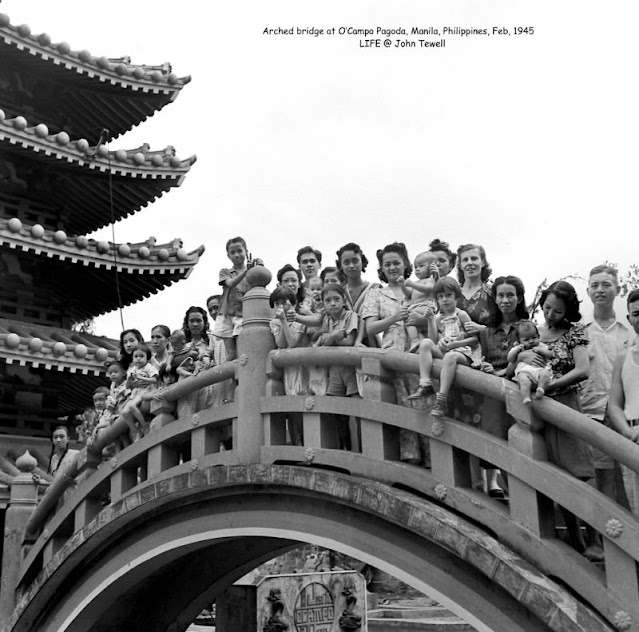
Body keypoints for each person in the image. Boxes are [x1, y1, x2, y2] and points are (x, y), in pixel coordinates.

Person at [533, 280, 592, 553]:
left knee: (577, 471)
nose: (550, 315)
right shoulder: (535, 331)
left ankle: (594, 539)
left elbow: (583, 369)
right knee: (552, 473)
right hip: (538, 406)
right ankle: (574, 539)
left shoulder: (574, 333)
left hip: (565, 403)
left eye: (557, 311)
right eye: (546, 308)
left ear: (567, 310)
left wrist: (552, 385)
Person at [362, 243, 428, 464]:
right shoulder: (376, 294)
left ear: (405, 264)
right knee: (404, 407)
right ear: (381, 268)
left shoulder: (419, 289)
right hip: (394, 356)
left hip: (422, 356)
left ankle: (432, 460)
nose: (392, 267)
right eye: (387, 264)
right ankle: (410, 461)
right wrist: (393, 319)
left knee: (426, 407)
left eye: (396, 263)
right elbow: (370, 328)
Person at [579, 265, 631, 508]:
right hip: (591, 412)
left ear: (618, 289)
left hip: (625, 413)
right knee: (600, 480)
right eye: (595, 285)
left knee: (629, 477)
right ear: (588, 291)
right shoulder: (578, 331)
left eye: (606, 284)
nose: (600, 290)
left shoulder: (629, 330)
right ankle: (601, 542)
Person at [478, 276, 530, 498]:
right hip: (492, 395)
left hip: (520, 391)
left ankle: (523, 501)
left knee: (521, 449)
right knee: (495, 444)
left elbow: (530, 358)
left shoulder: (527, 328)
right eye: (501, 295)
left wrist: (501, 373)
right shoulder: (485, 331)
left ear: (519, 298)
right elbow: (476, 357)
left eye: (510, 295)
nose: (505, 300)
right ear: (495, 299)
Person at [408, 278, 478, 416]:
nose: (444, 299)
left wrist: (456, 344)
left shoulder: (461, 315)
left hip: (463, 354)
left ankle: (441, 399)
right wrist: (430, 320)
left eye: (448, 295)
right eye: (440, 297)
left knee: (451, 356)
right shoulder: (438, 318)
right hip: (445, 353)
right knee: (425, 343)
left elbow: (475, 339)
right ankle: (425, 383)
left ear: (456, 296)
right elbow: (432, 339)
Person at [316, 283, 360, 450]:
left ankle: (360, 451)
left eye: (336, 299)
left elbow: (349, 340)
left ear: (343, 300)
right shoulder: (326, 320)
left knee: (356, 410)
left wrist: (332, 337)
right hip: (334, 371)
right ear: (323, 303)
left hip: (350, 369)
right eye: (328, 300)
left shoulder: (350, 316)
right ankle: (344, 451)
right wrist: (333, 336)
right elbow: (320, 341)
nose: (332, 303)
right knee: (337, 412)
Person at [607, 288, 639, 514]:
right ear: (629, 319)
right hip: (633, 439)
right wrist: (628, 434)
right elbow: (614, 404)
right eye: (637, 314)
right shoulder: (623, 357)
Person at [269, 286, 309, 445]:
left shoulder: (300, 319)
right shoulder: (274, 323)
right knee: (292, 408)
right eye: (277, 303)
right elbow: (280, 343)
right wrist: (282, 322)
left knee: (305, 404)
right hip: (288, 370)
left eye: (284, 302)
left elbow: (293, 342)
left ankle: (308, 445)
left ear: (292, 303)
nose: (281, 306)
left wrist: (285, 320)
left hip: (303, 367)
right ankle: (296, 447)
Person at [214, 236, 263, 361]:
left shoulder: (252, 271)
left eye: (240, 251)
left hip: (242, 314)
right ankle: (233, 380)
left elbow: (261, 285)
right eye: (232, 252)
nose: (237, 255)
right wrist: (246, 272)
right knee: (231, 355)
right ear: (228, 255)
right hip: (226, 314)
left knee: (242, 351)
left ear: (246, 251)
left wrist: (258, 268)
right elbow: (230, 284)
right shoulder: (225, 272)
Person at [335, 242, 381, 348]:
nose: (351, 266)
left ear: (362, 262)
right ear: (341, 266)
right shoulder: (339, 293)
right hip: (343, 345)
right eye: (346, 262)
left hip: (370, 344)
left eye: (355, 261)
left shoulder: (375, 289)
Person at [507, 321, 554, 404]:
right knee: (524, 381)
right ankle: (526, 397)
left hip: (540, 370)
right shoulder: (518, 348)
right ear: (519, 341)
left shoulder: (541, 346)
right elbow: (510, 358)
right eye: (526, 340)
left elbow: (550, 355)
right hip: (524, 372)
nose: (531, 341)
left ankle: (541, 389)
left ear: (539, 336)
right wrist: (517, 351)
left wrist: (541, 351)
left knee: (545, 375)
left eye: (534, 337)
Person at [400, 251, 439, 351]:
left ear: (431, 268)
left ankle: (417, 341)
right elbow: (409, 294)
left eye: (421, 266)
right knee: (409, 322)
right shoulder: (416, 282)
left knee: (410, 322)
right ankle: (415, 340)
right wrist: (402, 285)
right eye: (416, 267)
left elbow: (429, 289)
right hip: (414, 308)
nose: (417, 269)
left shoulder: (429, 280)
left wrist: (412, 284)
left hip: (425, 306)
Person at [125, 343, 159, 439]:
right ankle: (135, 429)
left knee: (132, 406)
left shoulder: (148, 367)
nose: (138, 359)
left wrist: (142, 378)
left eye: (141, 356)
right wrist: (129, 380)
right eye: (136, 356)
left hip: (145, 391)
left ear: (147, 358)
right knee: (124, 412)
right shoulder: (132, 370)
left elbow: (155, 380)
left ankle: (144, 424)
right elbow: (127, 387)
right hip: (135, 393)